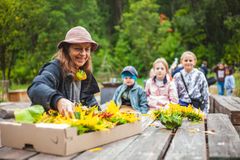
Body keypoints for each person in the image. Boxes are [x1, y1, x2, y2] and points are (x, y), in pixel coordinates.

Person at [27, 26, 100, 117]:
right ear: (66, 50)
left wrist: (100, 115)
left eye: (87, 49)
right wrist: (58, 100)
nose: (83, 54)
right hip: (48, 124)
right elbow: (35, 88)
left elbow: (91, 104)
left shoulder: (85, 74)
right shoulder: (54, 68)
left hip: (72, 126)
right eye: (78, 48)